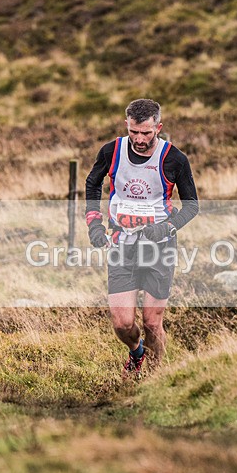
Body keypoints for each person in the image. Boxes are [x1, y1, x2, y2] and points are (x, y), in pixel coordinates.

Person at [85, 98, 199, 378]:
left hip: (159, 248)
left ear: (158, 128)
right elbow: (92, 183)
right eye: (134, 132)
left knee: (151, 322)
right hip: (121, 244)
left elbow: (192, 205)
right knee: (123, 323)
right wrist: (94, 224)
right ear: (127, 125)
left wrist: (167, 228)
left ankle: (154, 377)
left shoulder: (175, 159)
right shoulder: (112, 151)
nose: (139, 139)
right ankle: (137, 354)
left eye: (146, 133)